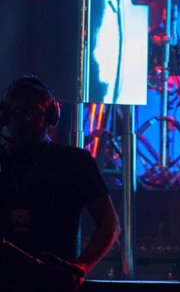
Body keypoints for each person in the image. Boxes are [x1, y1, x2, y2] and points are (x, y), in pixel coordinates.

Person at [0, 76, 120, 291]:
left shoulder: (75, 162)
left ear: (51, 117)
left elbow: (110, 224)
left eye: (35, 112)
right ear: (5, 116)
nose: (26, 119)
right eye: (19, 112)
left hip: (53, 281)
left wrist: (81, 268)